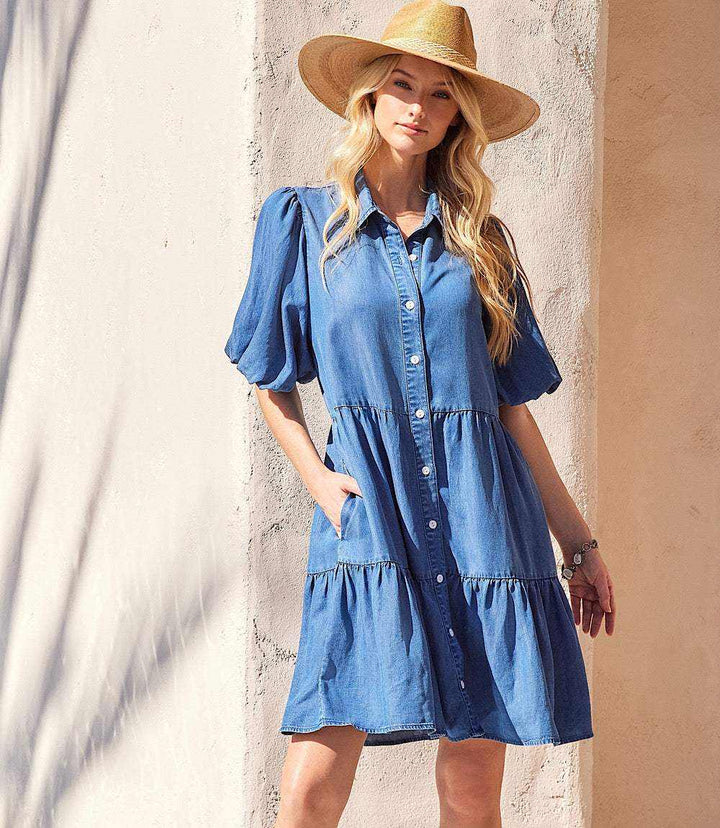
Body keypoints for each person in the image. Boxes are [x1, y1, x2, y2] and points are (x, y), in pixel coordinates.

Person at [224, 1, 616, 825]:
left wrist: (578, 547)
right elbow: (269, 379)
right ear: (367, 96)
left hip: (484, 519)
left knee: (470, 785)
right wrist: (322, 486)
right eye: (401, 85)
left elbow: (510, 414)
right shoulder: (300, 224)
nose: (417, 107)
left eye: (440, 95)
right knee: (312, 777)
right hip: (368, 509)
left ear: (456, 118)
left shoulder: (483, 242)